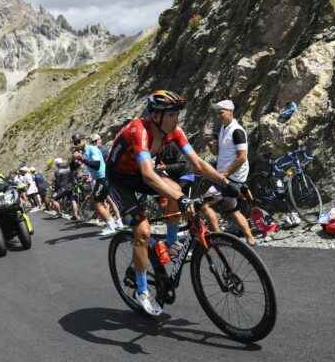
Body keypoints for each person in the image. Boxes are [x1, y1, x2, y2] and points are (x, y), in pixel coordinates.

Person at [106, 90, 241, 316]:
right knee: (142, 231)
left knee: (176, 189)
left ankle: (171, 242)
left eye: (177, 114)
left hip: (140, 174)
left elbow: (197, 163)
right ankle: (141, 291)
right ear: (156, 116)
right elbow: (149, 176)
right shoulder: (138, 131)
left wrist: (225, 182)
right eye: (171, 115)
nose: (176, 119)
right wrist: (180, 199)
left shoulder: (174, 131)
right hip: (120, 179)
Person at [200, 100, 256, 245]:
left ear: (231, 112)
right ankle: (250, 238)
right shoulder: (224, 129)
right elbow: (217, 152)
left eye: (221, 112)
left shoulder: (237, 131)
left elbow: (242, 157)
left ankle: (218, 237)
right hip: (226, 177)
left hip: (230, 178)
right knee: (232, 210)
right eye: (218, 113)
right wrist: (210, 143)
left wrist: (225, 173)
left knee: (205, 205)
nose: (219, 116)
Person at [72, 133, 123, 235]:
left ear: (84, 140)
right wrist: (75, 159)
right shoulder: (84, 151)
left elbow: (96, 164)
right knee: (100, 201)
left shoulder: (91, 149)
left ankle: (111, 224)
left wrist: (81, 159)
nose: (77, 144)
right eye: (75, 143)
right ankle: (115, 222)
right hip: (99, 179)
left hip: (103, 177)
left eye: (78, 141)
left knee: (98, 202)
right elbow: (73, 168)